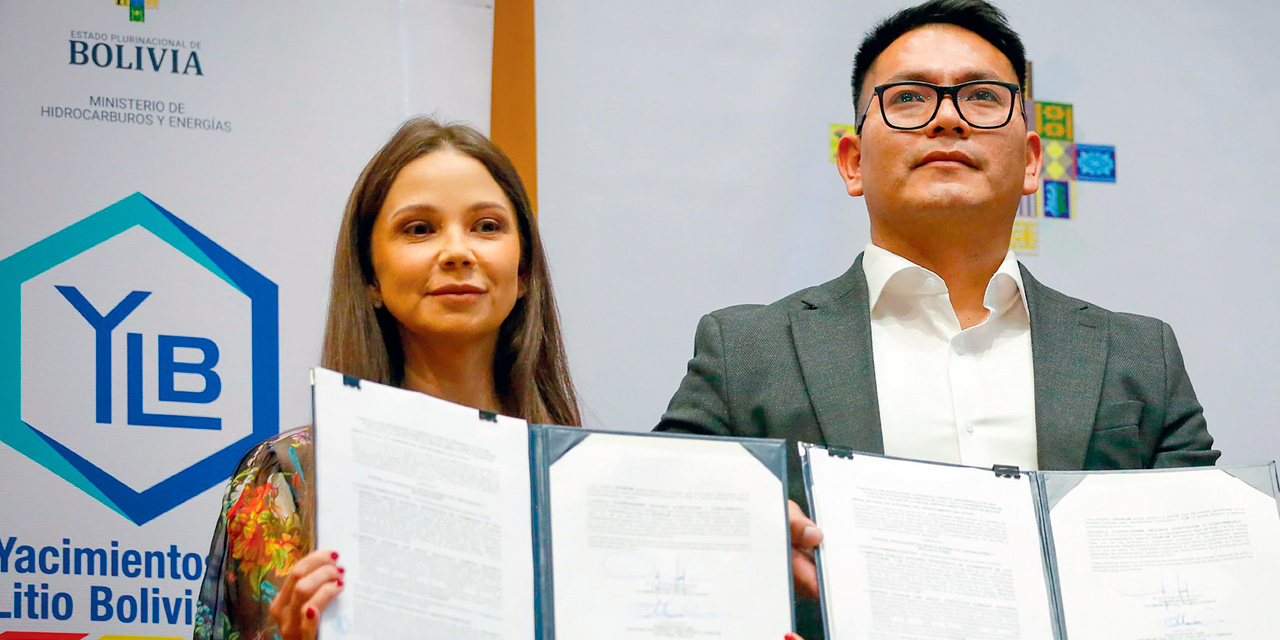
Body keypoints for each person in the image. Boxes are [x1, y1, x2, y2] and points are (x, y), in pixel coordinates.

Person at [653, 1, 1218, 638]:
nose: (947, 118)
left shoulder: (1140, 355)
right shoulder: (746, 351)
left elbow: (1200, 569)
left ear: (1033, 161)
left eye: (981, 97)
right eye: (910, 98)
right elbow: (664, 531)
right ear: (852, 162)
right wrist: (738, 537)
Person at [192, 118, 580, 640]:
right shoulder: (290, 479)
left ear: (524, 270)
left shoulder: (576, 479)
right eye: (419, 229)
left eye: (487, 226)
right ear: (371, 276)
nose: (458, 251)